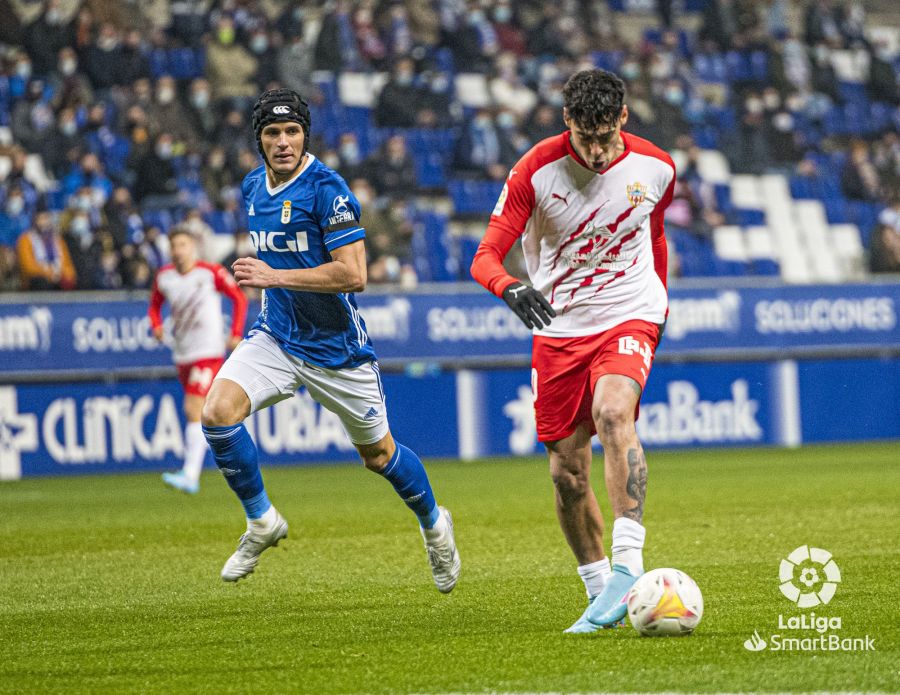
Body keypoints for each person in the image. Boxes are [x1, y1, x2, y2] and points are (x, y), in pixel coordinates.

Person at [200, 88, 461, 590]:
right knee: (216, 412)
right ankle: (262, 521)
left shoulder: (328, 189)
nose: (283, 142)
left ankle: (434, 523)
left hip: (337, 350)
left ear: (305, 136)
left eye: (292, 131)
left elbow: (353, 274)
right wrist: (272, 286)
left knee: (378, 456)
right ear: (258, 140)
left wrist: (274, 277)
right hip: (276, 337)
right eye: (272, 133)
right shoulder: (253, 187)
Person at [470, 69, 675, 633]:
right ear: (567, 123)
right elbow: (485, 255)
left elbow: (652, 233)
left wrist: (661, 299)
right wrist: (508, 286)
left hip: (630, 310)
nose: (598, 151)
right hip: (560, 328)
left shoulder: (657, 167)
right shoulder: (535, 172)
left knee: (614, 412)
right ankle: (598, 590)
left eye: (607, 138)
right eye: (586, 139)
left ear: (623, 119)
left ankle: (629, 564)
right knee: (566, 472)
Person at [149, 225, 248, 494]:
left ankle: (190, 474)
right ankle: (235, 453)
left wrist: (236, 332)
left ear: (192, 247)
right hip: (182, 352)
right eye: (173, 246)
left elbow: (239, 298)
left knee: (193, 408)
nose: (177, 251)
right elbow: (155, 305)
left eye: (182, 245)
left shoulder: (210, 272)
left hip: (208, 351)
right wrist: (156, 325)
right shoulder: (165, 277)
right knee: (210, 412)